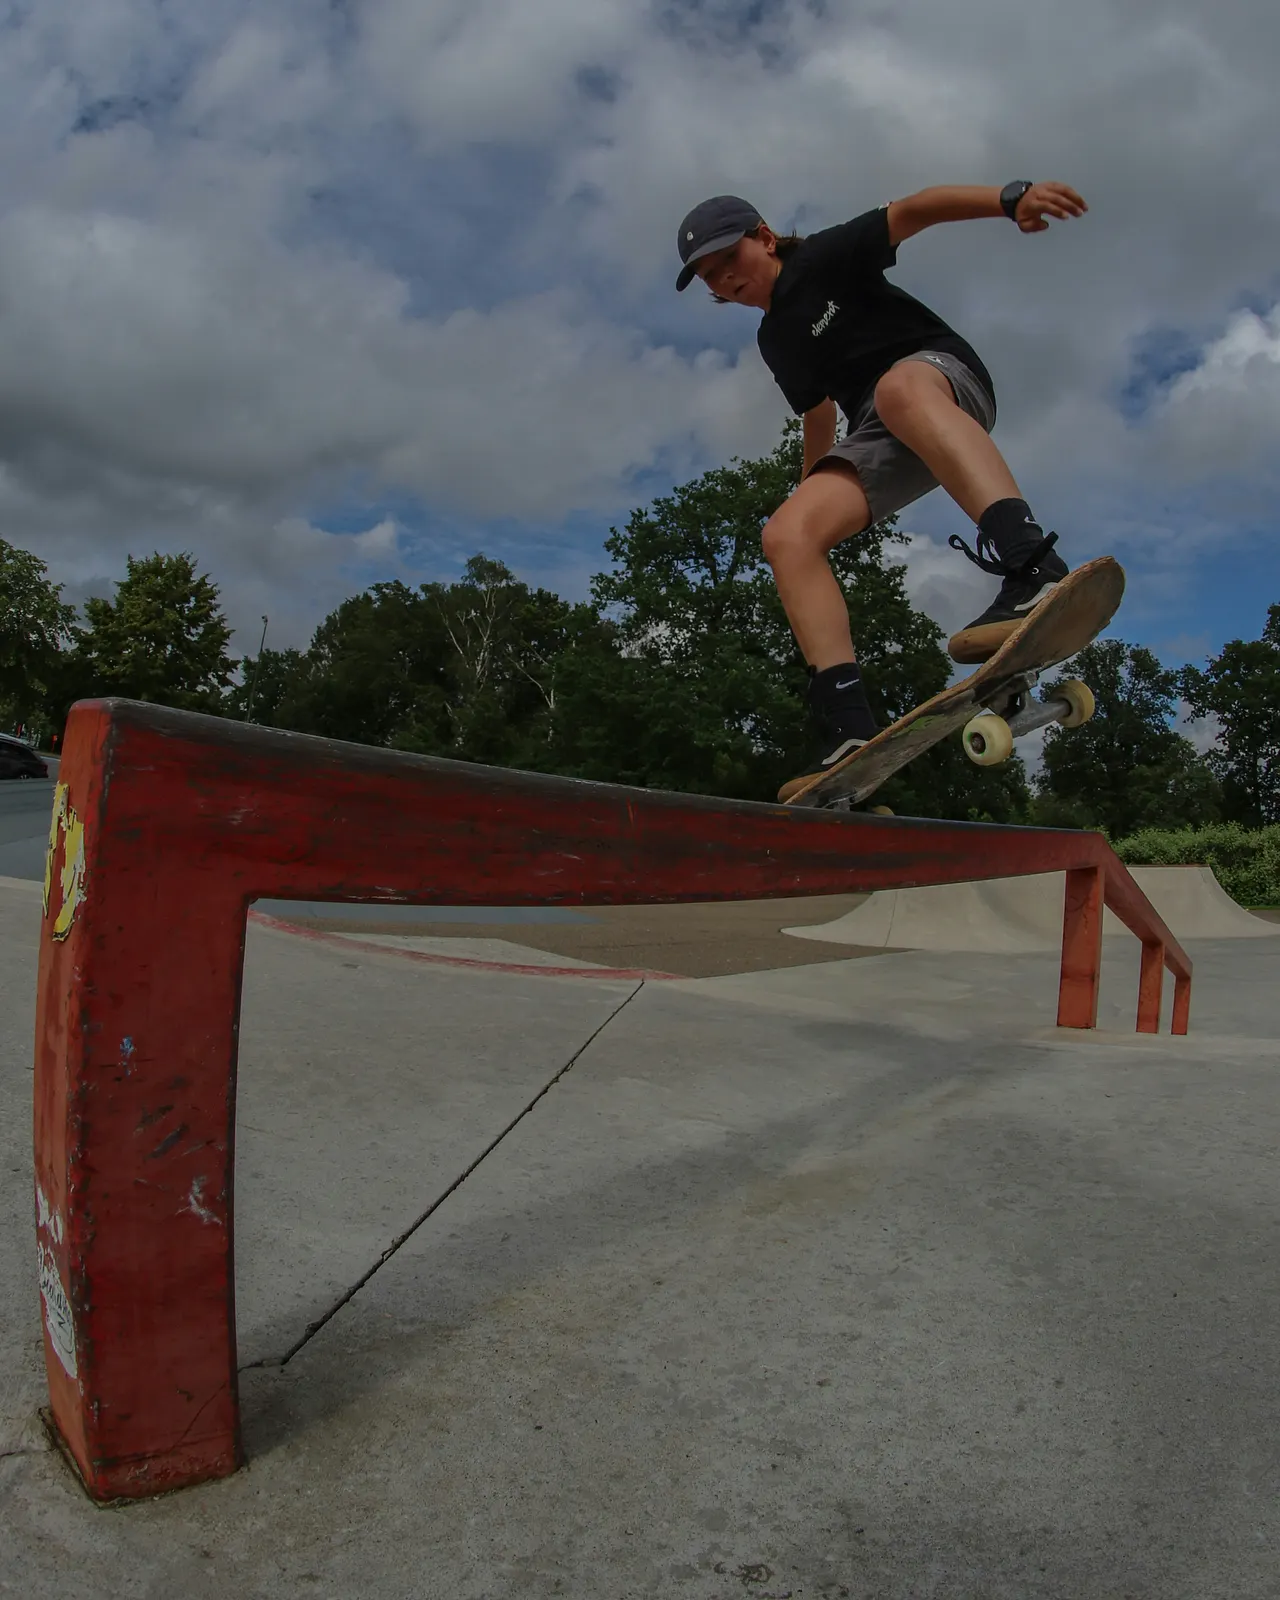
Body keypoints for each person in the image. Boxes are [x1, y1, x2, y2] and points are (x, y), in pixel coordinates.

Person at [675, 180, 1087, 800]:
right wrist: (813, 507)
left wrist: (1010, 199)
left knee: (898, 391)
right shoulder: (774, 339)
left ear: (763, 238)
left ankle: (1032, 565)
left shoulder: (822, 258)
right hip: (879, 427)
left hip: (942, 379)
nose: (725, 281)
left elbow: (915, 211)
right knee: (787, 535)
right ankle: (849, 731)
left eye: (729, 260)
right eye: (709, 276)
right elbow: (817, 418)